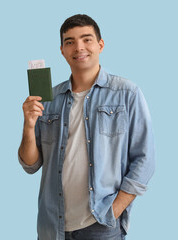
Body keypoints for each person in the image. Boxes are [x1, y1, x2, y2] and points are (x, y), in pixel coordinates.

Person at [18, 14, 155, 240]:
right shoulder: (48, 98)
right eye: (70, 41)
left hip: (101, 226)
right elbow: (31, 164)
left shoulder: (126, 93)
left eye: (86, 39)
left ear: (100, 45)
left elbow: (145, 158)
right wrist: (28, 125)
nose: (79, 47)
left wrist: (115, 209)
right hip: (52, 226)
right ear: (62, 50)